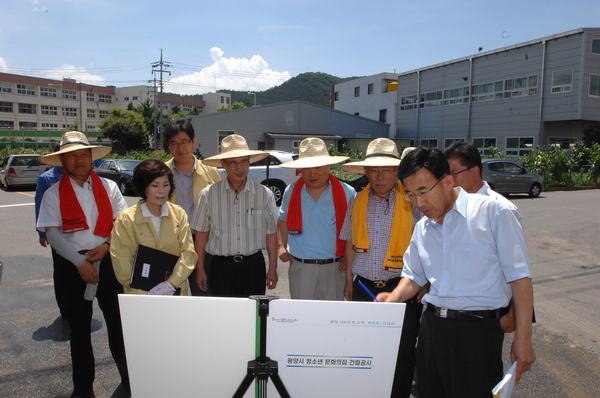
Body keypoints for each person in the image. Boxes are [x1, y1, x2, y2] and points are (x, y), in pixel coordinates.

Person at [377, 147, 535, 398]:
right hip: (432, 331)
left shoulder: (494, 212)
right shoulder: (423, 228)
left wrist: (523, 337)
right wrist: (394, 297)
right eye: (410, 195)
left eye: (423, 191)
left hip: (478, 334)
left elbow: (520, 277)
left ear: (448, 181)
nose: (419, 203)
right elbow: (414, 276)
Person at [36, 131, 129, 398]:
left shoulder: (110, 187)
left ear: (92, 158)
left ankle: (129, 377)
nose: (79, 160)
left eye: (83, 154)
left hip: (108, 260)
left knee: (117, 324)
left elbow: (121, 224)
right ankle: (83, 386)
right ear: (63, 161)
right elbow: (52, 232)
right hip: (73, 265)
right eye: (72, 155)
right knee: (79, 329)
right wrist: (79, 261)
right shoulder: (53, 193)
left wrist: (107, 246)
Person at [339, 140, 423, 398]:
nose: (380, 176)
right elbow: (350, 242)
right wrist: (349, 282)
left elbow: (425, 244)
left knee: (403, 348)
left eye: (386, 169)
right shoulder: (356, 201)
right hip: (364, 286)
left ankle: (398, 393)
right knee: (365, 347)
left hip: (401, 287)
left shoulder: (412, 201)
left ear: (396, 171)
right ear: (365, 172)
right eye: (374, 170)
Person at [443, 141, 525, 333]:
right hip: (449, 319)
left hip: (485, 319)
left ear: (475, 171)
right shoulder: (447, 207)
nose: (450, 180)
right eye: (446, 175)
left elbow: (517, 270)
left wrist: (514, 317)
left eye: (455, 173)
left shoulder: (501, 209)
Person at [189, 134, 278, 297]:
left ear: (249, 162)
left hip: (253, 266)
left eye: (244, 161)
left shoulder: (264, 194)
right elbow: (201, 235)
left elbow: (271, 235)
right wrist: (200, 269)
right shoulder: (208, 195)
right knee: (223, 316)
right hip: (220, 267)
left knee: (252, 317)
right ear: (223, 164)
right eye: (233, 163)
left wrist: (273, 269)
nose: (239, 168)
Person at [278, 138, 355, 300]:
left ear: (328, 166)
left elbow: (354, 232)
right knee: (302, 318)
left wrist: (349, 258)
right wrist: (281, 246)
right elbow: (282, 220)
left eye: (318, 167)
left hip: (335, 268)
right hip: (301, 267)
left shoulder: (347, 193)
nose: (313, 173)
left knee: (332, 320)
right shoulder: (291, 192)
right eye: (307, 168)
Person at [110, 159, 197, 296]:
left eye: (166, 185)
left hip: (174, 292)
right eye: (155, 185)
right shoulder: (126, 219)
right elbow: (122, 262)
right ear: (143, 187)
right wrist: (148, 293)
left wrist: (171, 284)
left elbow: (188, 253)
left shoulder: (179, 214)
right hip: (139, 295)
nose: (162, 191)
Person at [164, 119, 220, 296]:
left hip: (202, 241)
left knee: (203, 295)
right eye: (174, 143)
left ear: (193, 141)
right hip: (170, 241)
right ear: (168, 146)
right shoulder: (161, 172)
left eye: (184, 142)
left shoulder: (210, 172)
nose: (180, 148)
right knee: (171, 295)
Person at [35, 143, 68, 317]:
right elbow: (40, 206)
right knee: (62, 273)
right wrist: (42, 233)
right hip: (58, 233)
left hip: (80, 235)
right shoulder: (47, 179)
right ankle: (64, 307)